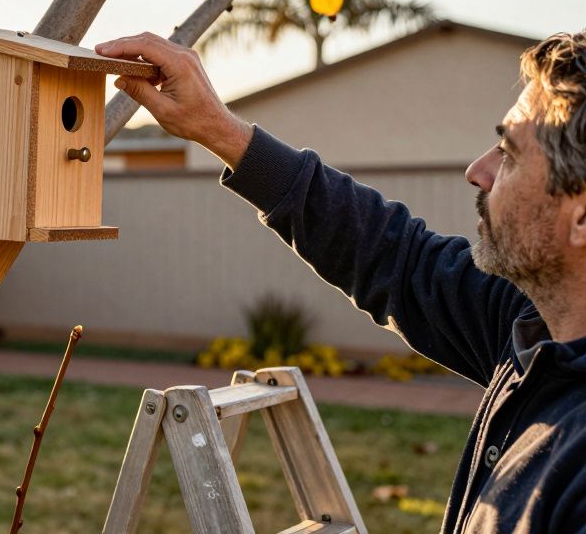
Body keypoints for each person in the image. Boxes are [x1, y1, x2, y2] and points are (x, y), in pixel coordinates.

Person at [96, 30, 586, 533]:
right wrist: (220, 130)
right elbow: (392, 254)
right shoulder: (532, 327)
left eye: (509, 153)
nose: (477, 171)